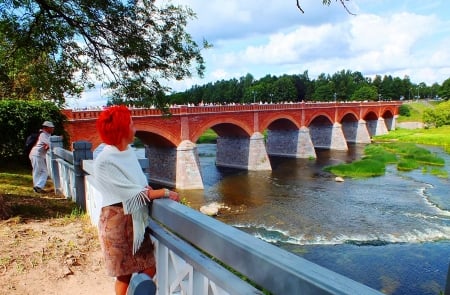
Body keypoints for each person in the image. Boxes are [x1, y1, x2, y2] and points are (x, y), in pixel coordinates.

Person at [93, 105, 179, 295]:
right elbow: (133, 194)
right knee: (124, 274)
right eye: (131, 124)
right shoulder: (105, 160)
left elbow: (139, 185)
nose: (135, 128)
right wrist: (165, 192)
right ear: (121, 129)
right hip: (118, 221)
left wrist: (147, 189)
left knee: (149, 267)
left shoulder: (128, 152)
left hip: (136, 221)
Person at [29, 121, 55, 193]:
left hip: (37, 155)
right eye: (51, 128)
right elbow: (50, 144)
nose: (53, 129)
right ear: (46, 128)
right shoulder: (43, 135)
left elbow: (47, 146)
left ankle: (37, 188)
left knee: (37, 171)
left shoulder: (47, 135)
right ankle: (38, 186)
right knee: (44, 172)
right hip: (37, 155)